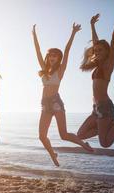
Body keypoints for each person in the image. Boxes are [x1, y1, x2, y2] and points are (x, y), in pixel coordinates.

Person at [77, 2, 114, 148]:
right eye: (95, 51)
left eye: (100, 51)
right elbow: (95, 41)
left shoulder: (109, 64)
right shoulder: (98, 65)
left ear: (107, 52)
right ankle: (111, 126)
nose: (97, 53)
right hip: (96, 109)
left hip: (105, 108)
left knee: (105, 144)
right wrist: (92, 25)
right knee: (80, 135)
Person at [33, 23, 94, 166]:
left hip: (55, 102)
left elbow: (67, 51)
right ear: (48, 57)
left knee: (64, 134)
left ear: (58, 58)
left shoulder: (60, 70)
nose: (52, 57)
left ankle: (83, 145)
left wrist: (73, 33)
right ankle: (53, 154)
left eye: (55, 56)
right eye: (51, 55)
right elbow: (37, 51)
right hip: (45, 104)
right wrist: (34, 35)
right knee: (42, 136)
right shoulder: (44, 69)